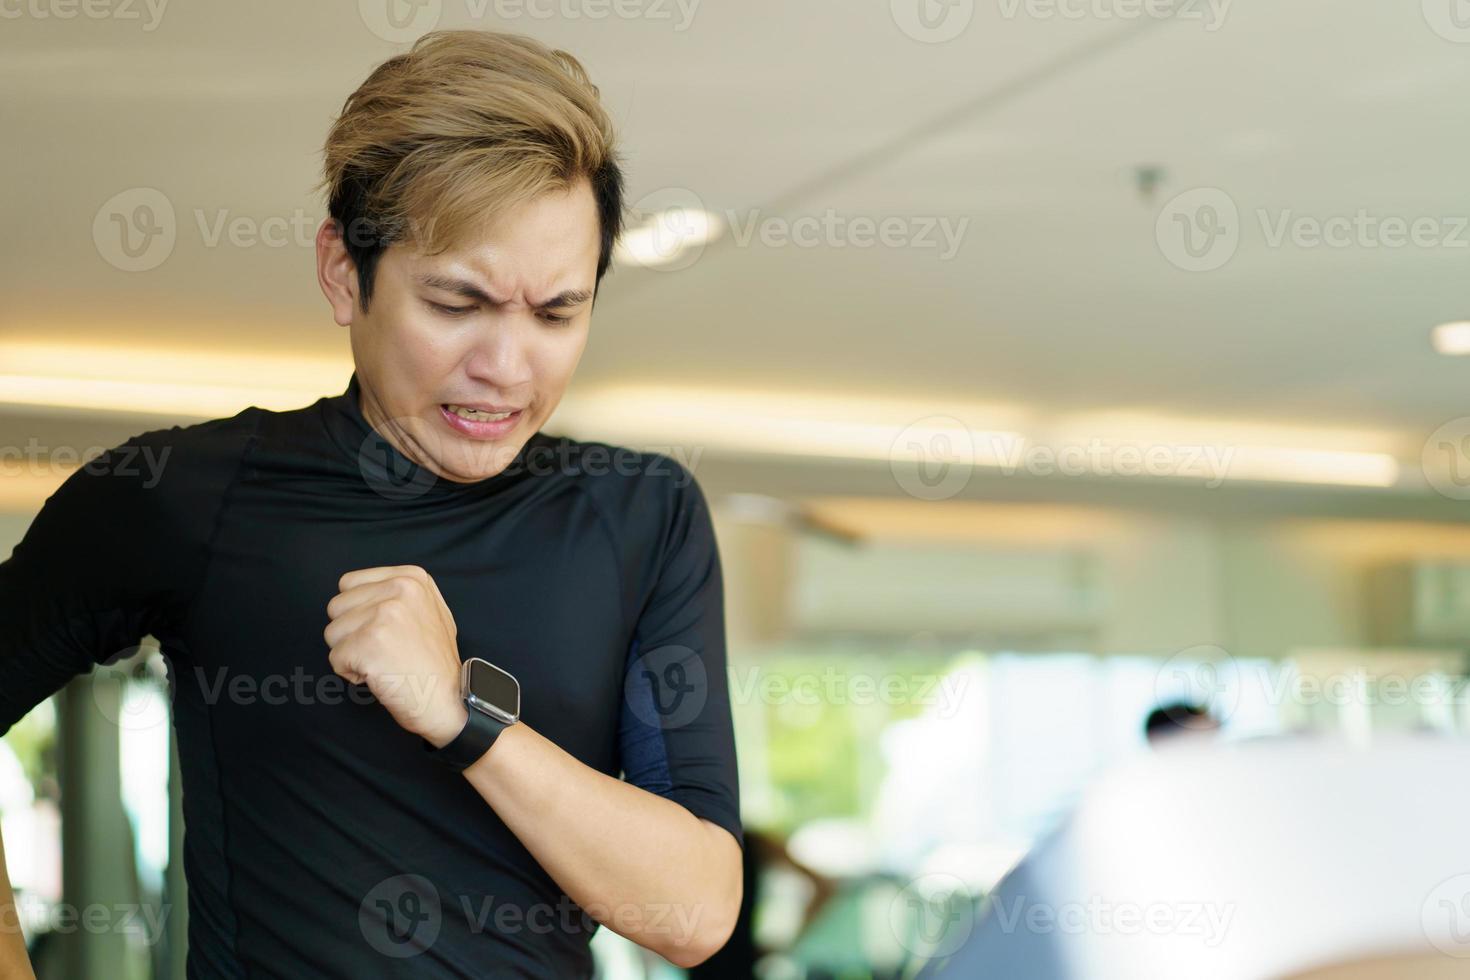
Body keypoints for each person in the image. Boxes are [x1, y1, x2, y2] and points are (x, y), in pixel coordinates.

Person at [0, 30, 742, 978]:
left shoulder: (639, 515)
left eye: (557, 312)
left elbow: (698, 910)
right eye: (455, 303)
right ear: (343, 274)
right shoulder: (183, 497)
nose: (506, 368)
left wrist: (462, 715)